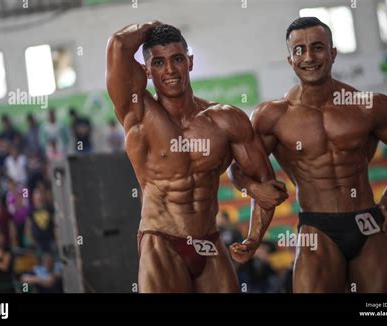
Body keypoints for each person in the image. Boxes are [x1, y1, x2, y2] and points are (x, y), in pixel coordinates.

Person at [229, 17, 387, 293]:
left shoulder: (367, 106)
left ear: (333, 53)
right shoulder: (273, 116)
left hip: (366, 223)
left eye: (318, 47)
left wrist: (386, 203)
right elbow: (238, 169)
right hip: (317, 228)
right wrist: (252, 197)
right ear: (290, 59)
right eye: (299, 50)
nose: (309, 57)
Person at [106, 22, 288, 293]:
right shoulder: (138, 113)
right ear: (146, 70)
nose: (169, 70)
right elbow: (119, 44)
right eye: (158, 62)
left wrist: (253, 237)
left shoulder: (226, 119)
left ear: (189, 62)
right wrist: (158, 27)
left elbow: (266, 186)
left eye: (177, 59)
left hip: (209, 241)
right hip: (161, 241)